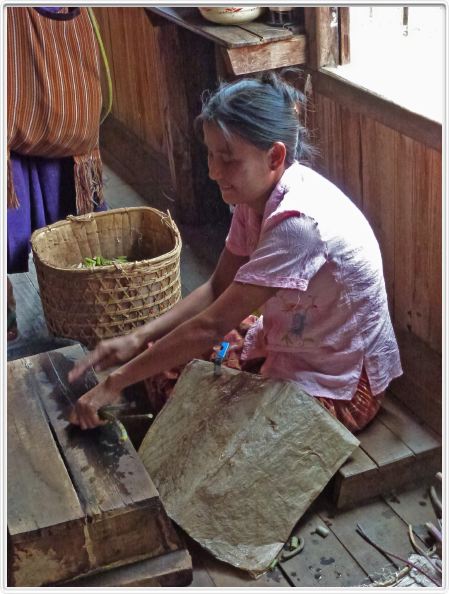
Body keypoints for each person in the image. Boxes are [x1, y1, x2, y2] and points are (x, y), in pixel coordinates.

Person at [68, 72, 402, 433]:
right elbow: (216, 288)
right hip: (298, 335)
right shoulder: (255, 197)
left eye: (228, 159)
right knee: (163, 360)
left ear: (275, 156)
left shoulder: (298, 224)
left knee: (203, 416)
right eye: (211, 155)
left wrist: (114, 382)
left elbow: (212, 324)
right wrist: (135, 340)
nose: (213, 172)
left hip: (345, 382)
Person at [7, 6, 107, 341]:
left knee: (76, 228)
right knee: (14, 235)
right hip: (15, 57)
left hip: (63, 56)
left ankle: (78, 317)